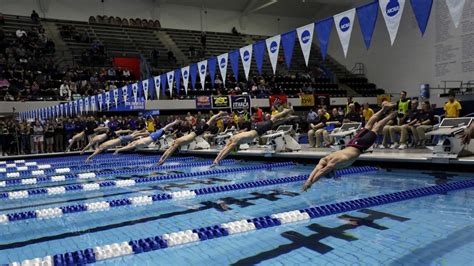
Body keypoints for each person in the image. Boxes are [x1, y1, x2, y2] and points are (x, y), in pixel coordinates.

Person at [302, 102, 397, 191]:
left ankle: (392, 115)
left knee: (376, 128)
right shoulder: (325, 159)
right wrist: (309, 180)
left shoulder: (333, 164)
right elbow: (316, 169)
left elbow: (321, 172)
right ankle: (384, 108)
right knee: (368, 125)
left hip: (360, 146)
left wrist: (311, 183)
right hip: (352, 143)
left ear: (331, 171)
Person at [210, 109, 294, 167]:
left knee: (273, 119)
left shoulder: (235, 141)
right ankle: (288, 117)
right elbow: (224, 149)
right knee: (273, 123)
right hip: (256, 128)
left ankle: (285, 111)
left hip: (258, 130)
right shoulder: (233, 139)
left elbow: (226, 151)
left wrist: (218, 160)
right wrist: (216, 159)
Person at [158, 112, 226, 165]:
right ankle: (220, 116)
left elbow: (169, 152)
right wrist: (162, 158)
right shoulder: (177, 141)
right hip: (195, 132)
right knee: (210, 123)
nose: (172, 145)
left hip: (196, 133)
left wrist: (163, 160)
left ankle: (219, 114)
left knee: (210, 121)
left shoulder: (177, 143)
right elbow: (168, 151)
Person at [114, 120, 179, 154]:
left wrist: (174, 122)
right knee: (131, 144)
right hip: (146, 140)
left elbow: (167, 126)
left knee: (132, 145)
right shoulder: (157, 133)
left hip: (146, 141)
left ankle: (119, 150)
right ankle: (119, 150)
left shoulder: (160, 132)